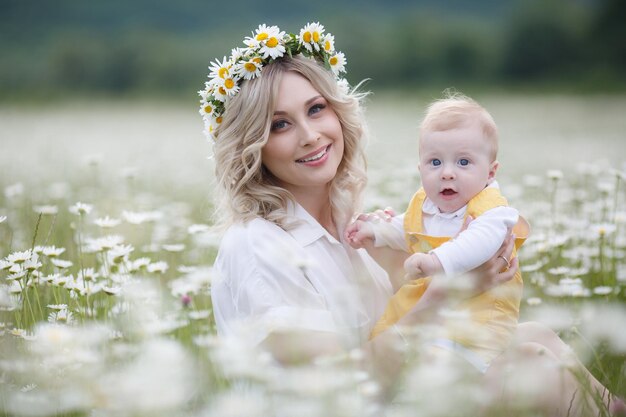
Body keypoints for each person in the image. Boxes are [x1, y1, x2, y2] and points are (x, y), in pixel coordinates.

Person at [202, 22, 624, 416]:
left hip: (388, 391)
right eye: (279, 124)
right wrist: (448, 292)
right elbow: (340, 387)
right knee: (533, 365)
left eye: (315, 109)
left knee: (537, 337)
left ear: (337, 113)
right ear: (251, 146)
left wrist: (441, 254)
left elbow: (396, 332)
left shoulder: (349, 227)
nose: (310, 134)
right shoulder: (257, 247)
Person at [344, 92, 530, 370]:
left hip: (481, 315)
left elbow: (479, 243)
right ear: (420, 168)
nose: (447, 173)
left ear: (491, 173)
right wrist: (377, 232)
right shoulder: (427, 206)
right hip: (438, 311)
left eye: (463, 162)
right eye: (435, 162)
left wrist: (436, 261)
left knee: (445, 358)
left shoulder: (493, 212)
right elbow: (409, 228)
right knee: (400, 336)